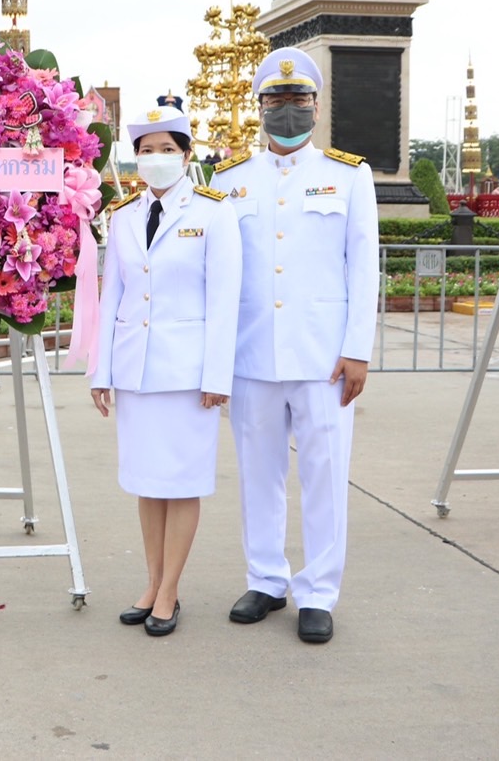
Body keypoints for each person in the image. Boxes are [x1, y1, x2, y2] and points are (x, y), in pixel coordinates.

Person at [215, 47, 377, 644]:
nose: (287, 110)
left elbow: (363, 268)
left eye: (298, 100)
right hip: (252, 355)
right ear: (259, 108)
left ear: (316, 106)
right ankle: (266, 579)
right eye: (276, 101)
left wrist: (357, 348)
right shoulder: (229, 181)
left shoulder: (348, 175)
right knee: (258, 473)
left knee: (325, 474)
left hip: (323, 357)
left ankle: (319, 591)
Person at [90, 104, 241, 637]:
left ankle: (171, 591)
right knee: (148, 484)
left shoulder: (213, 212)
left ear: (186, 156)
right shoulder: (124, 215)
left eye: (167, 150)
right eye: (147, 151)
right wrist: (100, 371)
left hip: (188, 375)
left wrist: (218, 377)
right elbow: (113, 299)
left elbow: (226, 300)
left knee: (181, 483)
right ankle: (151, 583)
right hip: (136, 371)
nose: (156, 160)